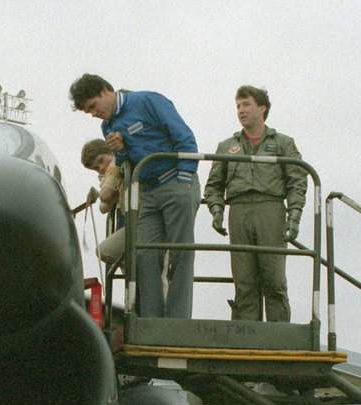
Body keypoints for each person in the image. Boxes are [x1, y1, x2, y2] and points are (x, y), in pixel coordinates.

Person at [70, 74, 200, 319]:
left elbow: (184, 136)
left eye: (92, 107)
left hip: (175, 183)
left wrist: (184, 180)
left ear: (105, 90)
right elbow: (123, 163)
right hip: (148, 192)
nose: (93, 114)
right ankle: (150, 319)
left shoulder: (148, 101)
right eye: (88, 111)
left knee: (180, 251)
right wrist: (121, 150)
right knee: (144, 254)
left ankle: (177, 319)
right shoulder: (107, 127)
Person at [203, 86, 308, 322]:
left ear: (262, 108)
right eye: (238, 106)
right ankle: (247, 337)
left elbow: (297, 181)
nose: (241, 110)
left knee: (275, 280)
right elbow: (213, 185)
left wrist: (294, 215)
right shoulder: (226, 146)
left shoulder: (283, 143)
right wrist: (217, 209)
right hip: (238, 212)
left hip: (270, 210)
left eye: (246, 104)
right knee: (244, 281)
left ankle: (279, 338)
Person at [80, 138, 125, 265]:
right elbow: (103, 207)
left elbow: (104, 198)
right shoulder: (105, 178)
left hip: (135, 217)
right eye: (96, 168)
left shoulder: (119, 165)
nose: (101, 167)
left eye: (101, 160)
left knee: (109, 252)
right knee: (120, 256)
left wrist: (109, 195)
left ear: (111, 152)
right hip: (122, 217)